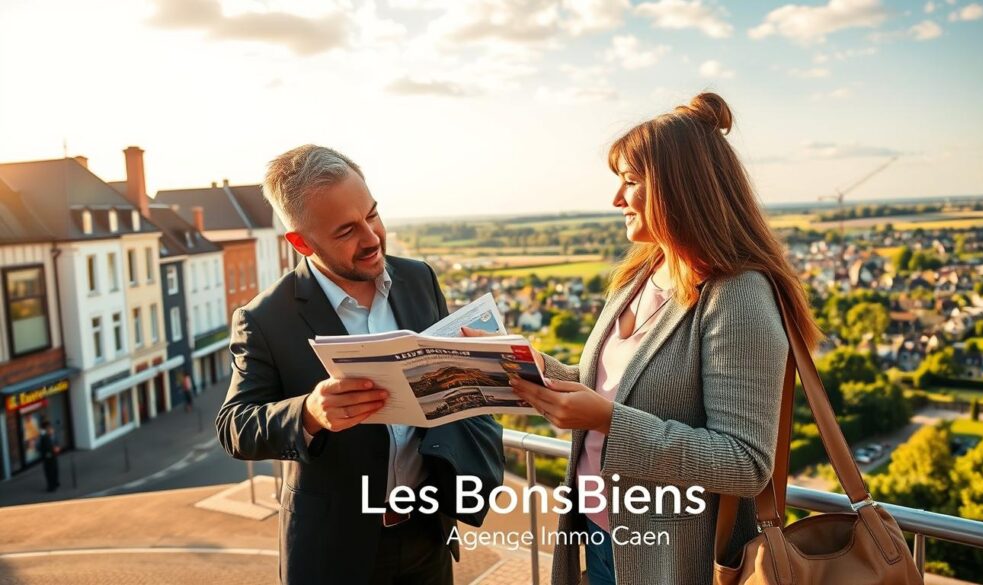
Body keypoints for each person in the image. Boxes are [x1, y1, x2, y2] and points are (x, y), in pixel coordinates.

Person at [495, 93, 822, 585]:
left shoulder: (738, 296)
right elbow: (608, 390)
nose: (616, 200)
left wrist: (606, 420)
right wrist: (524, 363)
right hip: (600, 534)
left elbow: (746, 461)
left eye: (630, 182)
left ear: (678, 189)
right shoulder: (640, 276)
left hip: (670, 560)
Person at [215, 145, 504, 585]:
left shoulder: (419, 278)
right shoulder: (265, 318)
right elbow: (235, 427)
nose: (371, 238)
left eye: (372, 215)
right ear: (301, 242)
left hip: (428, 533)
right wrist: (309, 413)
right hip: (334, 552)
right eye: (347, 230)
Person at [39, 420, 60, 492]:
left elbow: (55, 442)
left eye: (51, 429)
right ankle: (52, 486)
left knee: (54, 470)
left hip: (52, 456)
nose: (51, 430)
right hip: (48, 457)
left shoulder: (51, 436)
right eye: (49, 429)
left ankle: (54, 484)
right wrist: (54, 450)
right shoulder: (44, 437)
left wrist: (57, 448)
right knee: (50, 472)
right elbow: (45, 447)